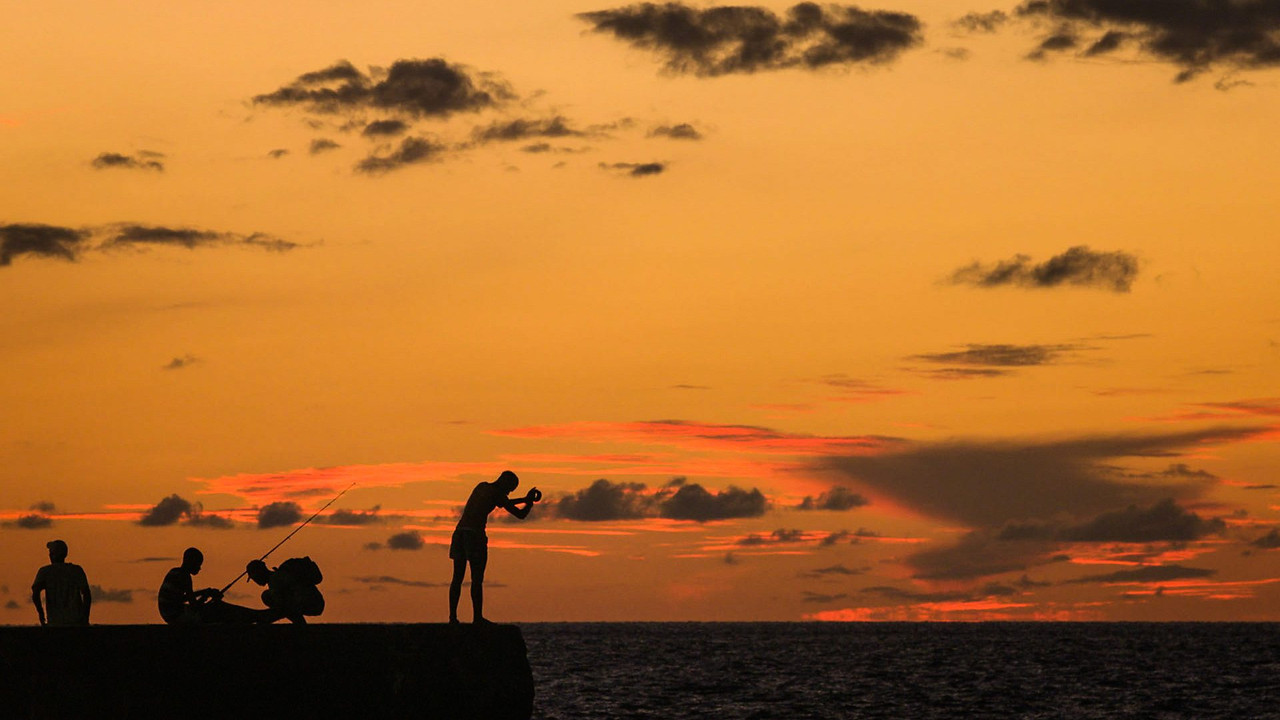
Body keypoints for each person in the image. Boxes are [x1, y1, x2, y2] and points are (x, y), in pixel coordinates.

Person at [449, 470, 540, 624]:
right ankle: (477, 618)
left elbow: (503, 501)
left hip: (459, 533)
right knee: (476, 579)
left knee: (457, 578)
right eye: (510, 489)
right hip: (474, 536)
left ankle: (453, 618)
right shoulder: (498, 494)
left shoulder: (482, 487)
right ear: (504, 483)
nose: (508, 492)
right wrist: (529, 503)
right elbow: (519, 514)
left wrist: (525, 498)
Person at [158, 547, 260, 624]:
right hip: (176, 616)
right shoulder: (185, 577)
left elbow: (181, 598)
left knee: (216, 608)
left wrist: (204, 592)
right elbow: (194, 606)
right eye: (198, 564)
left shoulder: (174, 572)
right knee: (218, 608)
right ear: (190, 561)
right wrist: (205, 597)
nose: (199, 568)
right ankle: (256, 616)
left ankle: (255, 615)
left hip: (169, 614)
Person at [246, 556, 325, 624]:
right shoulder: (278, 576)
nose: (255, 581)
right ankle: (301, 624)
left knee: (266, 596)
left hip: (310, 603)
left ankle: (300, 625)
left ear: (258, 573)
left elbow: (280, 606)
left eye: (254, 577)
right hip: (316, 602)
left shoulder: (275, 581)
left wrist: (265, 618)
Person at [31, 539, 91, 626]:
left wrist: (41, 613)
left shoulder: (45, 572)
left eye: (51, 552)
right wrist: (85, 617)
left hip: (55, 621)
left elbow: (35, 593)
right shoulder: (76, 570)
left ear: (52, 555)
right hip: (76, 621)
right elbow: (87, 594)